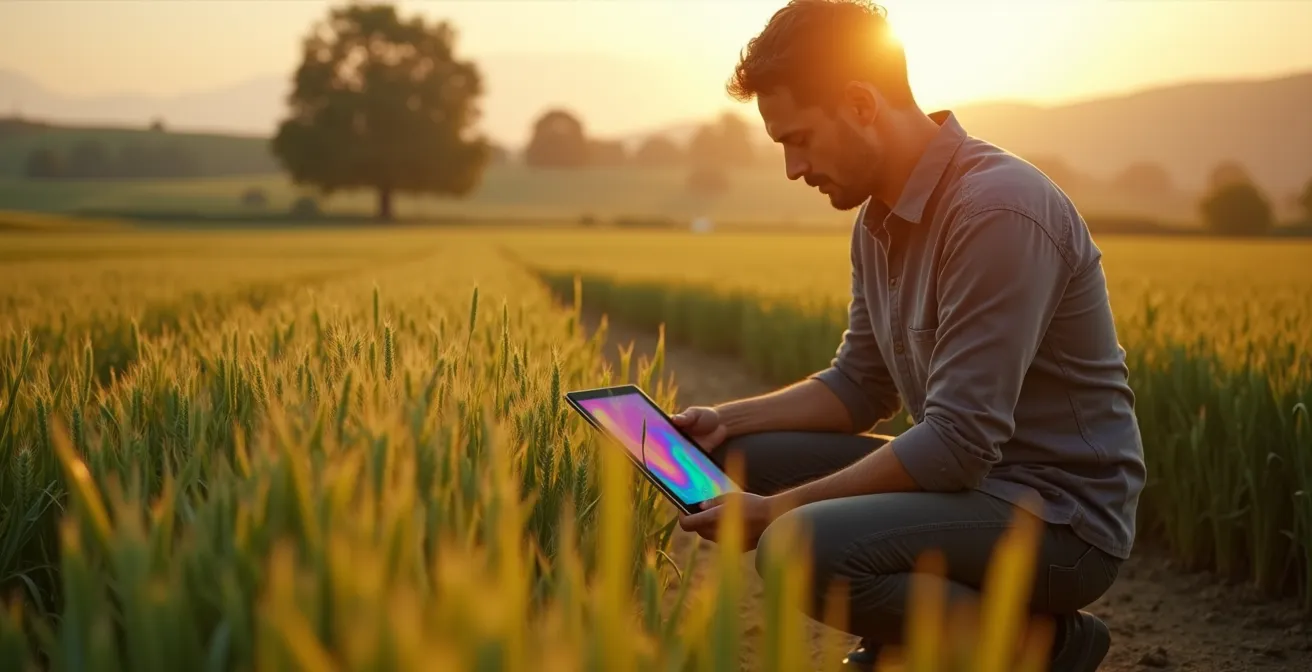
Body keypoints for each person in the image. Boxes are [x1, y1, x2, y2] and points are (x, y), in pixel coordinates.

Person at [671, 1, 1146, 670]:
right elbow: (859, 385)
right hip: (973, 491)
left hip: (1061, 521)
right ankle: (914, 636)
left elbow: (957, 444)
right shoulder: (878, 221)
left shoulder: (996, 210)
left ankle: (1040, 647)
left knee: (794, 543)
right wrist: (721, 419)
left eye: (798, 138)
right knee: (744, 454)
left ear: (862, 103)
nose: (792, 167)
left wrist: (774, 510)